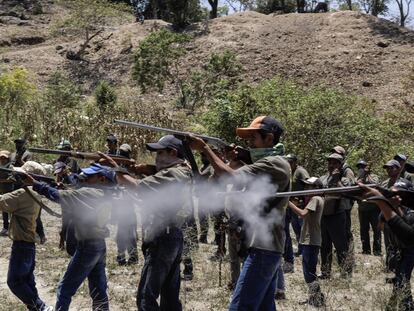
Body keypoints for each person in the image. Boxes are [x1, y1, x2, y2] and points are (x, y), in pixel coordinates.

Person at [189, 116, 291, 311]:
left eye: (253, 138)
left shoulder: (274, 163)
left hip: (263, 247)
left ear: (269, 138)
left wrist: (205, 148)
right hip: (262, 245)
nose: (249, 143)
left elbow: (230, 176)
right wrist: (238, 157)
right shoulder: (267, 163)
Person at [107, 135, 192, 310]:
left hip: (163, 236)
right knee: (169, 296)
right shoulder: (183, 170)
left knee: (147, 297)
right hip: (170, 235)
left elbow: (138, 186)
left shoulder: (175, 173)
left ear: (173, 152)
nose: (157, 157)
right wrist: (140, 169)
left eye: (160, 153)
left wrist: (117, 170)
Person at [30, 163, 117, 311]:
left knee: (65, 289)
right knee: (98, 290)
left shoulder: (90, 193)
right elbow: (75, 194)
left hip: (87, 246)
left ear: (102, 179)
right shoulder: (105, 194)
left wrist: (34, 184)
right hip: (99, 245)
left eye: (90, 176)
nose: (85, 178)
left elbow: (58, 196)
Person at [0, 161, 52, 311]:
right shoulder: (36, 193)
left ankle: (41, 307)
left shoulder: (23, 193)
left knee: (14, 282)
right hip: (28, 245)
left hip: (22, 245)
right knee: (28, 281)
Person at [360, 182, 414, 310]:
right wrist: (389, 207)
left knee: (401, 280)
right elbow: (381, 227)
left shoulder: (411, 211)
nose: (395, 197)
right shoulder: (390, 207)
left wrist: (383, 202)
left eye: (398, 194)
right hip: (400, 249)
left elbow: (409, 235)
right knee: (400, 280)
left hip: (409, 250)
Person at [288, 177, 325, 307]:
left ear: (316, 188)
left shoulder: (316, 199)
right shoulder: (314, 199)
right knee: (308, 270)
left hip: (311, 240)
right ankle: (314, 297)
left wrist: (289, 203)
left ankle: (317, 298)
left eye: (309, 187)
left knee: (309, 272)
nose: (305, 189)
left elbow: (303, 214)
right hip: (309, 240)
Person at [319, 153, 352, 279]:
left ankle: (346, 273)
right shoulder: (322, 178)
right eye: (330, 162)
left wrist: (337, 180)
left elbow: (346, 192)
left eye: (335, 163)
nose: (332, 165)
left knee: (340, 245)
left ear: (340, 165)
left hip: (337, 216)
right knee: (324, 245)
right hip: (323, 216)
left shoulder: (343, 180)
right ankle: (325, 272)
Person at [381, 159, 410, 274]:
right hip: (387, 217)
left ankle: (400, 270)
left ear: (398, 169)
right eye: (387, 168)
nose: (388, 170)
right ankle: (390, 268)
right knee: (389, 243)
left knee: (401, 245)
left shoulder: (404, 184)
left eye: (391, 168)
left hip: (401, 218)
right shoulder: (384, 184)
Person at [283, 154, 310, 273]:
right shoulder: (289, 172)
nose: (288, 164)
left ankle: (305, 250)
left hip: (299, 204)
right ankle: (300, 249)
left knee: (301, 228)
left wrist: (302, 200)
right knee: (294, 228)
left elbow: (308, 185)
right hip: (290, 205)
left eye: (290, 162)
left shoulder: (300, 171)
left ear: (294, 162)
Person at [114, 143, 139, 266]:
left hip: (129, 205)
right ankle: (121, 257)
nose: (121, 156)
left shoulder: (131, 169)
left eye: (123, 154)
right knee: (120, 234)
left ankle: (133, 257)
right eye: (120, 153)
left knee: (131, 234)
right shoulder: (119, 168)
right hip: (120, 206)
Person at [356, 160, 381, 255]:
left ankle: (377, 250)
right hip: (362, 208)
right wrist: (362, 176)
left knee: (376, 229)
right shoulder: (358, 178)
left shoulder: (374, 176)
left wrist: (367, 175)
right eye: (359, 167)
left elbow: (375, 184)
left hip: (374, 208)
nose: (361, 168)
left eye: (363, 166)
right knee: (363, 230)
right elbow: (356, 185)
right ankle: (366, 250)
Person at [0, 150, 14, 237]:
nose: (2, 159)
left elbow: (12, 179)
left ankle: (12, 227)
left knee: (11, 210)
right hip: (1, 191)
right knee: (4, 209)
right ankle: (5, 227)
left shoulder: (10, 167)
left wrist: (1, 180)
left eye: (4, 158)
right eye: (1, 158)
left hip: (8, 190)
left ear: (7, 159)